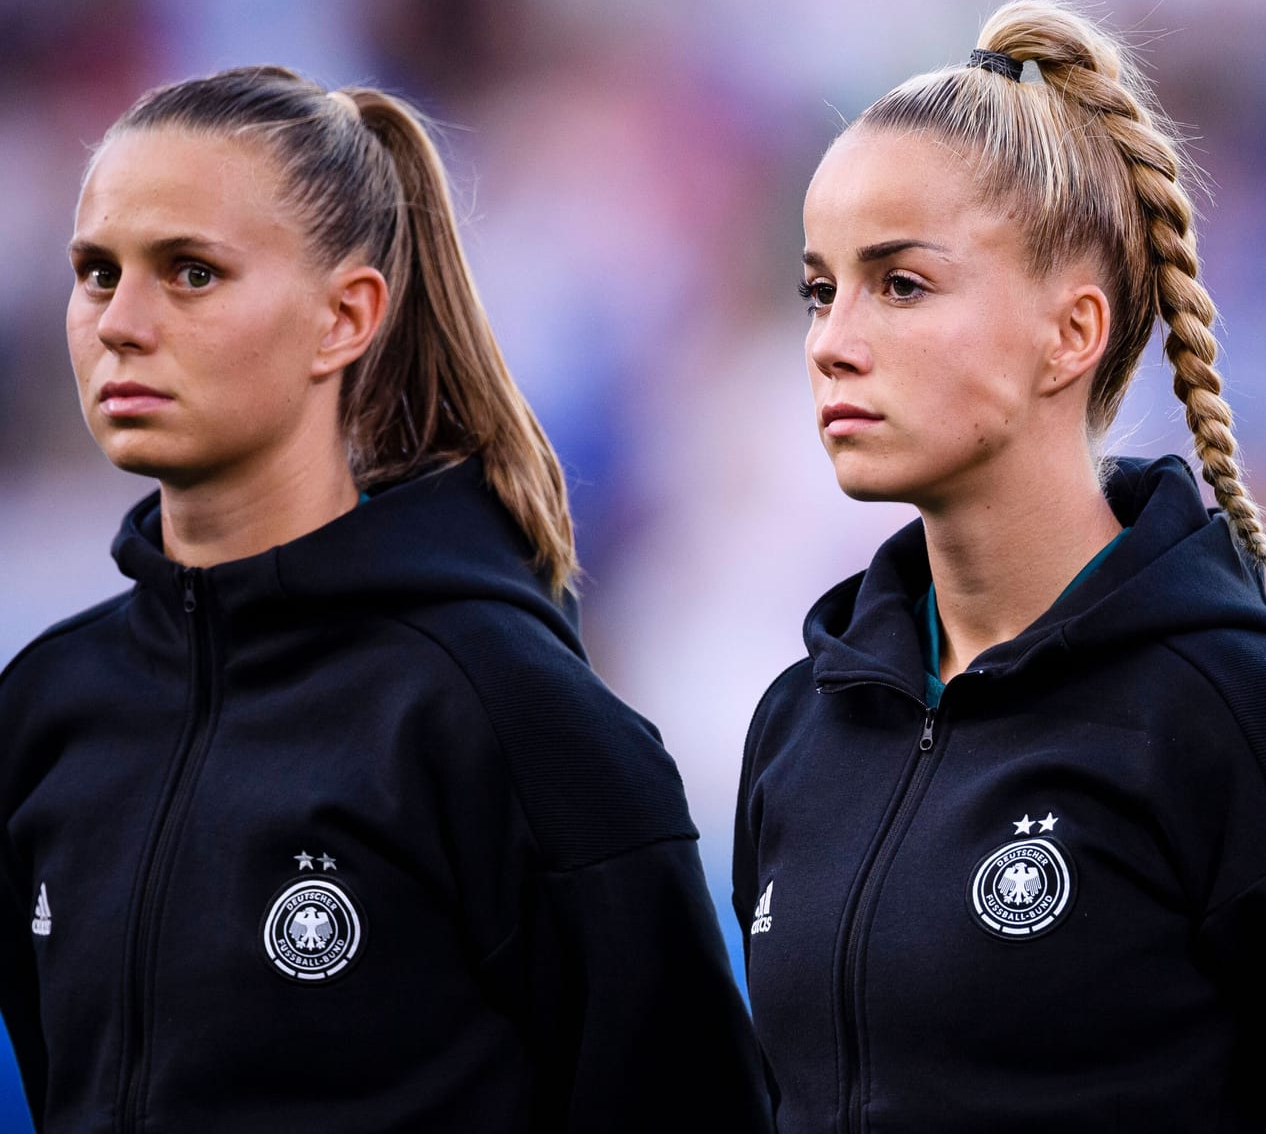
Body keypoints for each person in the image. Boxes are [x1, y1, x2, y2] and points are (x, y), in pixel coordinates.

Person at [0, 67, 769, 1132]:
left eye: (189, 272)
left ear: (345, 317)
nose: (121, 321)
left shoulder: (503, 705)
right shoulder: (46, 708)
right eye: (96, 271)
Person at [732, 0, 1266, 1132]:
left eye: (900, 284)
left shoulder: (1245, 727)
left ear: (1072, 331)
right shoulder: (802, 724)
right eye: (819, 288)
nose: (832, 338)